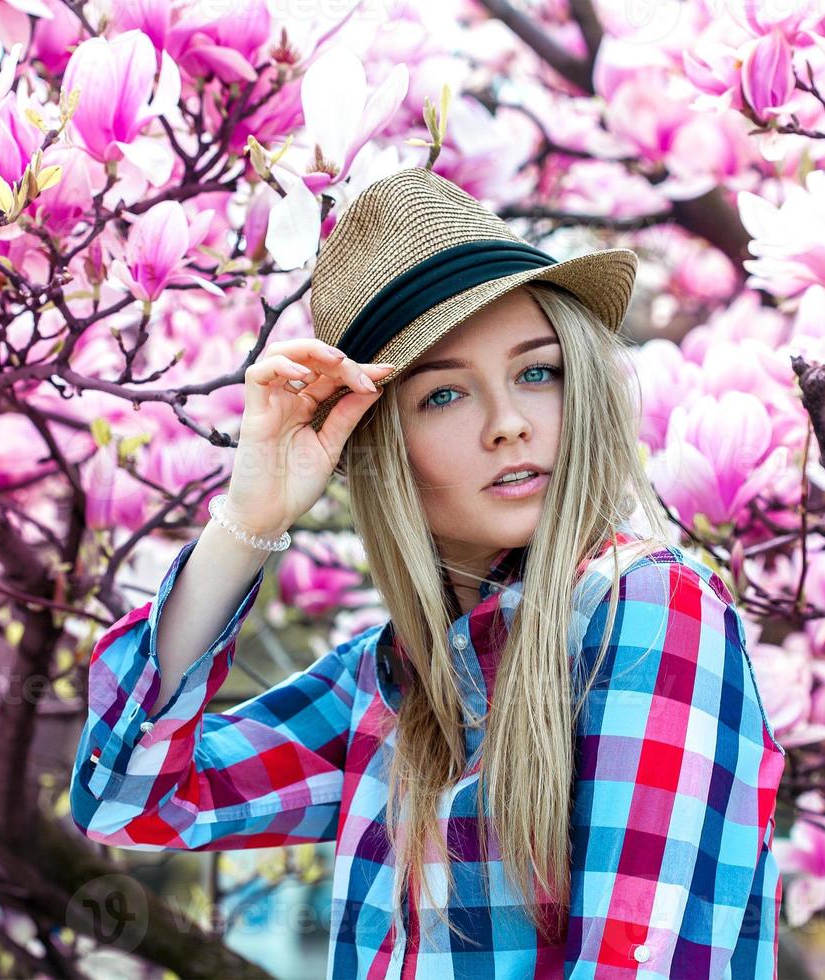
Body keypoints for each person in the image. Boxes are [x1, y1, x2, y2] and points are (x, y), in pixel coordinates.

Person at [69, 167, 786, 978]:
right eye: (444, 396)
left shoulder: (647, 607)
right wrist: (249, 522)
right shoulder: (390, 680)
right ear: (380, 448)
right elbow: (128, 799)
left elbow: (637, 962)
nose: (510, 424)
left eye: (538, 372)